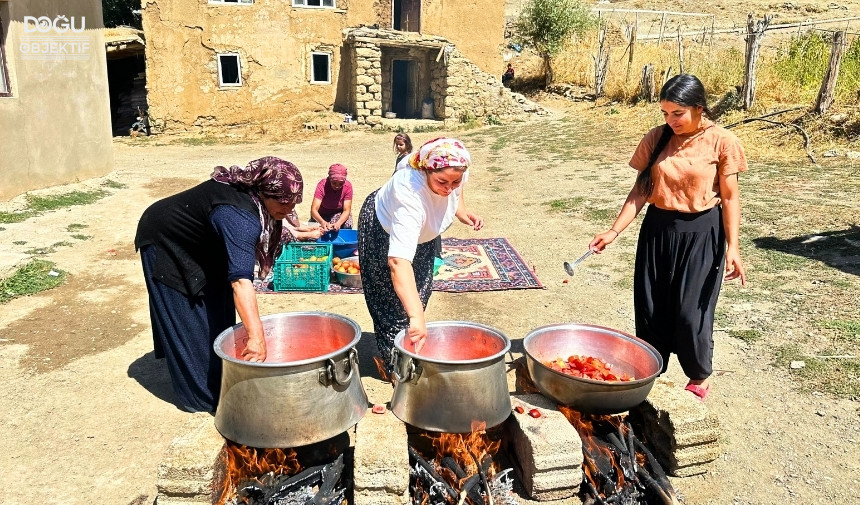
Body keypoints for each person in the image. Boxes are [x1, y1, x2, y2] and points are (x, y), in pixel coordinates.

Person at [588, 74, 747, 402]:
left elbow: (730, 198)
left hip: (703, 233)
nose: (670, 120)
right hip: (658, 230)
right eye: (665, 113)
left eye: (678, 113)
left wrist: (733, 248)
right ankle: (652, 370)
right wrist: (613, 231)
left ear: (699, 109)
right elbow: (641, 191)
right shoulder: (656, 138)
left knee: (692, 313)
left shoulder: (722, 142)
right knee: (651, 307)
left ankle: (699, 374)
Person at [135, 156, 303, 413]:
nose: (289, 208)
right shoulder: (238, 217)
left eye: (295, 201)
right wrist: (256, 337)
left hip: (202, 243)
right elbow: (240, 281)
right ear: (263, 192)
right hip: (165, 239)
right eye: (282, 201)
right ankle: (201, 401)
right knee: (191, 320)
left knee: (219, 315)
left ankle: (221, 376)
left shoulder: (256, 201)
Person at [358, 137, 483, 371]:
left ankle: (405, 349)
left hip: (423, 234)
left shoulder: (454, 168)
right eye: (442, 182)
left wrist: (461, 211)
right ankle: (394, 367)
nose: (448, 189)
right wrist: (417, 319)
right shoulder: (409, 193)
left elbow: (458, 184)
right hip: (381, 228)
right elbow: (398, 262)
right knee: (391, 306)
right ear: (426, 170)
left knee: (420, 292)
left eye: (454, 182)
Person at [310, 163, 353, 232]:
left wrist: (338, 223)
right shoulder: (322, 185)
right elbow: (314, 210)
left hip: (338, 214)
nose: (337, 186)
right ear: (330, 179)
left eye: (340, 184)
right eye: (334, 183)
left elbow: (346, 210)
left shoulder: (348, 186)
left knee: (347, 225)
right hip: (322, 215)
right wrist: (322, 222)